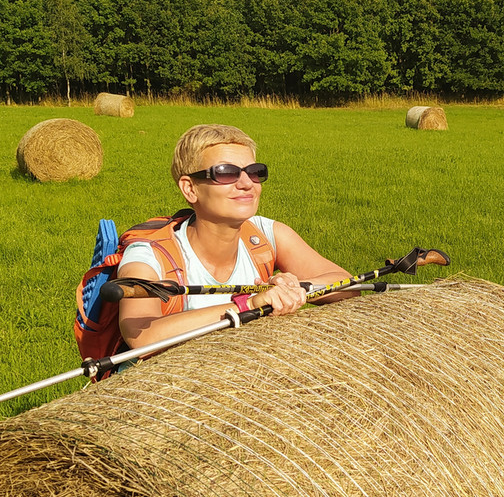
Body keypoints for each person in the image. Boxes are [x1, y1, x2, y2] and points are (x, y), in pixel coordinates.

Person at [117, 124, 356, 350]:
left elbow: (347, 285)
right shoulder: (150, 254)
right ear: (190, 188)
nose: (246, 184)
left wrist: (294, 288)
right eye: (226, 173)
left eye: (255, 172)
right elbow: (141, 335)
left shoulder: (266, 234)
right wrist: (248, 305)